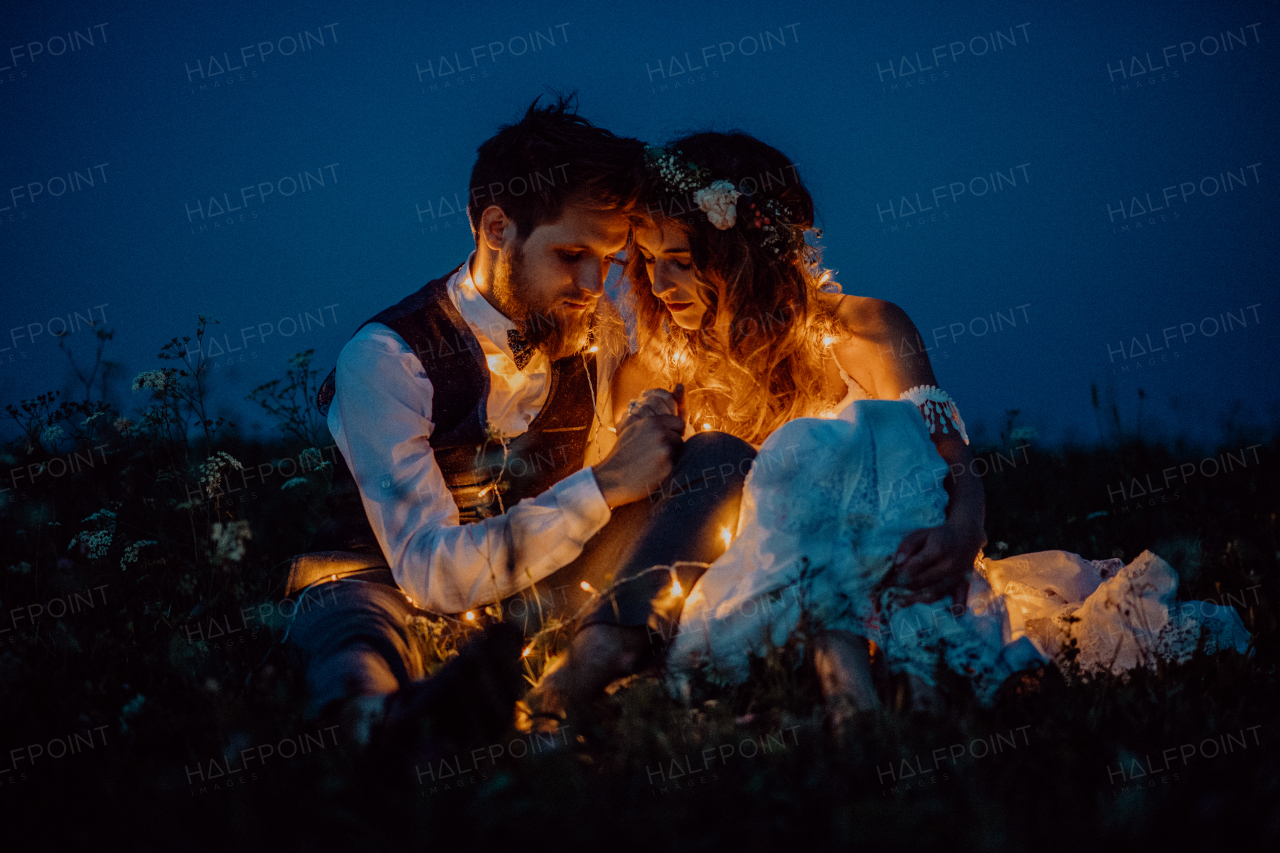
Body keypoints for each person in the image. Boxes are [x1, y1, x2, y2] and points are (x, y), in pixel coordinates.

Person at [610, 132, 1250, 719]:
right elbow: (618, 518)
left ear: (746, 251)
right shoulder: (656, 371)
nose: (661, 283)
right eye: (648, 261)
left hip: (889, 575)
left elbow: (954, 464)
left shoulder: (866, 331)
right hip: (724, 590)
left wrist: (958, 537)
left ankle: (866, 695)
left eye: (683, 260)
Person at [284, 98, 753, 752]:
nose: (594, 283)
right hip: (385, 584)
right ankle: (384, 730)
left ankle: (574, 683)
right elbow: (426, 573)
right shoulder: (387, 356)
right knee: (358, 639)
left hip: (538, 589)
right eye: (571, 254)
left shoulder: (600, 334)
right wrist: (608, 481)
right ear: (497, 228)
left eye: (609, 260)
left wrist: (650, 439)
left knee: (717, 459)